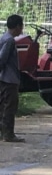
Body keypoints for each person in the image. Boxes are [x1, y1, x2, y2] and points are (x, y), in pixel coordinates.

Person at [0, 14, 25, 143]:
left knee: (2, 106)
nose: (22, 29)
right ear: (17, 27)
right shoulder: (9, 40)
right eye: (22, 26)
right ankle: (8, 134)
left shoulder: (4, 37)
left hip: (4, 78)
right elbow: (2, 59)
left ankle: (3, 132)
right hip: (9, 79)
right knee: (10, 107)